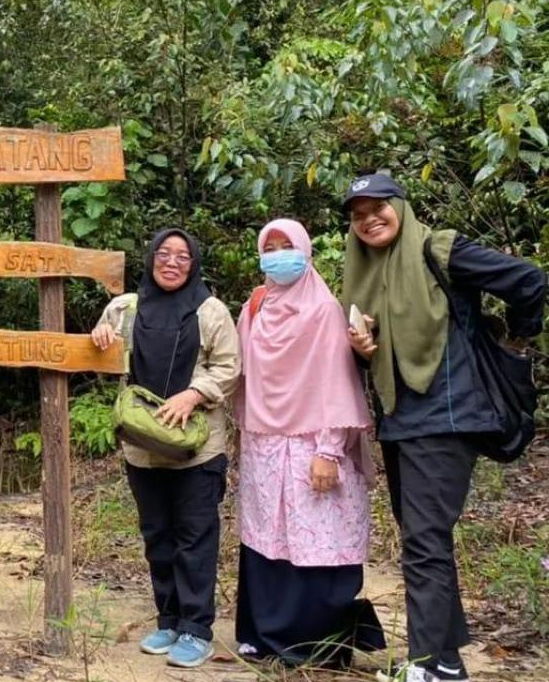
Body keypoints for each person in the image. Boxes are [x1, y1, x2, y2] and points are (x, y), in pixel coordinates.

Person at [342, 173, 545, 682]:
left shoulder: (440, 249)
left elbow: (529, 281)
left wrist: (516, 341)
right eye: (358, 213)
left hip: (448, 417)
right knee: (422, 538)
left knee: (425, 541)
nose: (370, 219)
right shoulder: (365, 273)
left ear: (400, 207)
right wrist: (363, 352)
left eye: (379, 207)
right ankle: (445, 659)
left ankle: (433, 666)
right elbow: (384, 351)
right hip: (400, 421)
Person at [234, 218, 384, 667]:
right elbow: (237, 371)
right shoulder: (255, 306)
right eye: (270, 246)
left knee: (317, 541)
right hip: (263, 443)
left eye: (287, 245)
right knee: (268, 541)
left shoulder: (323, 309)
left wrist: (327, 451)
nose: (278, 254)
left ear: (305, 251)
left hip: (312, 446)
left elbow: (336, 382)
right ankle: (264, 637)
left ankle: (318, 647)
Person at [90, 229, 240, 669]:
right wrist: (99, 336)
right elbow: (105, 357)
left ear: (194, 264)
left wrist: (194, 394)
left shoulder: (210, 311)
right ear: (150, 257)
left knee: (195, 537)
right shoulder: (125, 307)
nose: (172, 262)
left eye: (183, 256)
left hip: (198, 447)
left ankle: (197, 629)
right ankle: (169, 619)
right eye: (163, 253)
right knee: (157, 535)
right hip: (142, 446)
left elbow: (229, 367)